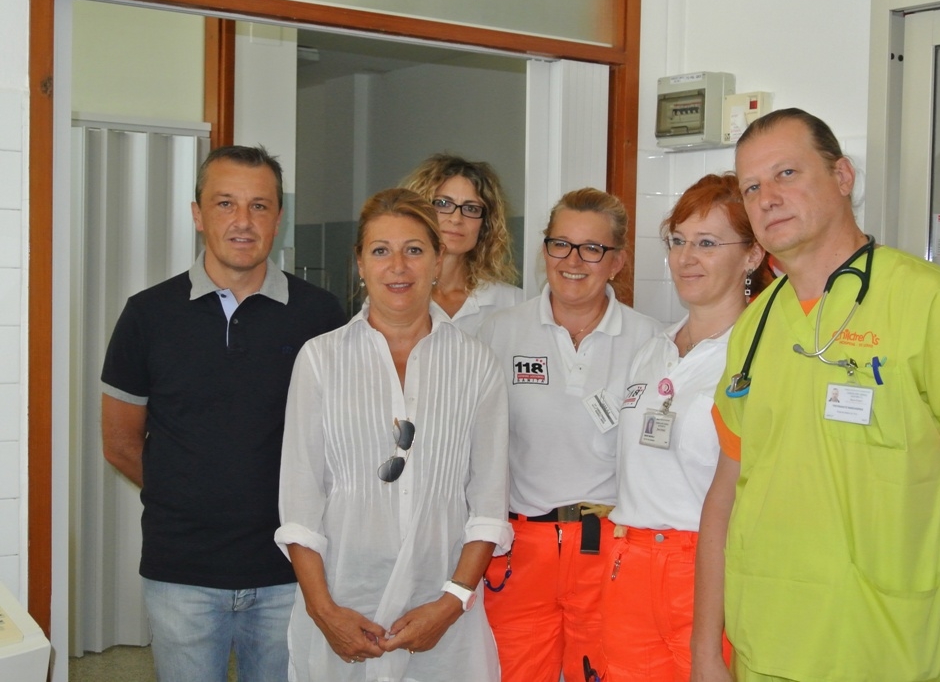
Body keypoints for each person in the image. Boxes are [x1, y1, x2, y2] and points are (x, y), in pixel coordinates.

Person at [690, 108, 940, 682]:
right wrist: (704, 654)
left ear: (842, 176)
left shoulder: (930, 305)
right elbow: (726, 498)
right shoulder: (755, 327)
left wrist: (898, 527)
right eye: (751, 186)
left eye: (787, 174)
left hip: (882, 652)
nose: (767, 197)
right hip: (762, 650)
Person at [100, 145, 346, 681]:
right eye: (225, 203)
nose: (243, 221)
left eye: (259, 206)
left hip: (292, 570)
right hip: (182, 573)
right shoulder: (147, 315)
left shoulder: (322, 315)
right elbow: (119, 441)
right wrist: (185, 494)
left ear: (278, 218)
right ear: (197, 214)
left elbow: (342, 440)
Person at [275, 188, 511, 681]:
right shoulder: (320, 359)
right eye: (380, 250)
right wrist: (325, 613)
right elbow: (299, 505)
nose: (398, 266)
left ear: (438, 259)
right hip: (343, 606)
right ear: (360, 263)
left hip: (442, 613)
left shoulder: (476, 364)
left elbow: (488, 508)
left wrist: (451, 604)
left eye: (414, 250)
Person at [479, 187, 662, 682]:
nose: (573, 261)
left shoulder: (653, 342)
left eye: (592, 248)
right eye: (560, 244)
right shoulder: (497, 334)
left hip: (609, 550)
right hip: (519, 551)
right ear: (544, 251)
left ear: (617, 261)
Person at [600, 174, 770, 682]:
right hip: (628, 563)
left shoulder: (760, 353)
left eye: (707, 243)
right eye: (678, 241)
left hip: (711, 571)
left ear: (753, 256)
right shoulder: (654, 347)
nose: (685, 258)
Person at [401, 153, 523, 334]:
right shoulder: (395, 293)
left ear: (486, 225)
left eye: (471, 208)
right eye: (443, 204)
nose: (456, 218)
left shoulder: (513, 302)